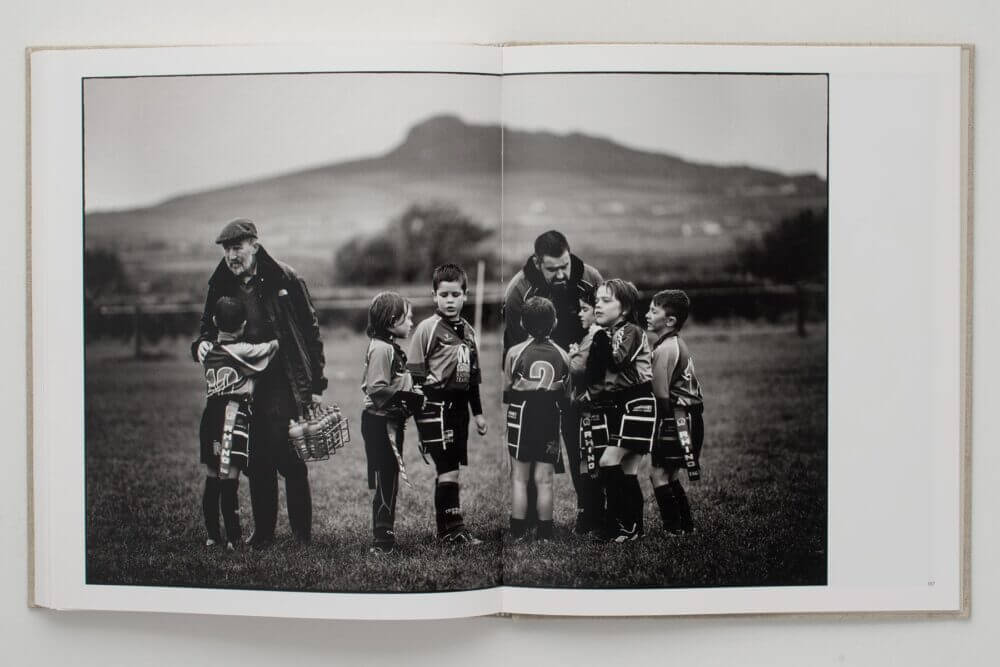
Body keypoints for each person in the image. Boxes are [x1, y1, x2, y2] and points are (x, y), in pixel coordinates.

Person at [192, 219, 327, 548]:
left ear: (254, 244)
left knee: (290, 458)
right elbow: (206, 329)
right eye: (226, 249)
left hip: (282, 380)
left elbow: (310, 331)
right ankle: (263, 533)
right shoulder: (220, 282)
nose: (231, 255)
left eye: (236, 247)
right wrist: (201, 346)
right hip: (244, 389)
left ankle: (301, 535)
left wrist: (316, 382)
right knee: (255, 459)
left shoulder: (285, 277)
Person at [503, 230, 603, 533]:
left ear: (570, 254)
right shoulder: (519, 289)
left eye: (564, 265)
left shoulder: (591, 278)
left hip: (581, 375)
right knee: (533, 451)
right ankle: (532, 517)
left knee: (582, 447)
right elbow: (514, 345)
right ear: (537, 262)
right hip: (539, 389)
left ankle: (591, 513)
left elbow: (606, 326)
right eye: (552, 269)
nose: (561, 274)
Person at [407, 263, 489, 545]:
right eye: (444, 295)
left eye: (455, 294)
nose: (450, 300)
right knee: (448, 468)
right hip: (435, 407)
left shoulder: (469, 332)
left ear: (465, 295)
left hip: (459, 410)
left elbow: (471, 378)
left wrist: (477, 413)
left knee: (450, 467)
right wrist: (420, 419)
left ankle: (446, 530)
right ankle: (453, 530)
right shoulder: (426, 330)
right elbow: (414, 376)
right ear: (434, 296)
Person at [198, 296, 280, 550]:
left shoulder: (208, 351)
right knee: (229, 477)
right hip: (232, 415)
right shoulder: (242, 350)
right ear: (243, 325)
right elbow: (270, 348)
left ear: (214, 321)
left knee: (212, 475)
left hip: (210, 415)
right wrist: (278, 334)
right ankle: (234, 538)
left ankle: (213, 535)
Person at [584, 278, 656, 543]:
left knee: (607, 461)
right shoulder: (607, 333)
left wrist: (598, 339)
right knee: (627, 472)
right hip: (621, 404)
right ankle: (632, 527)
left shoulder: (631, 331)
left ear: (624, 309)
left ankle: (613, 526)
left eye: (606, 301)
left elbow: (616, 361)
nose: (598, 306)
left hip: (637, 404)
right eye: (596, 301)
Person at [503, 297, 572, 542]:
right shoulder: (564, 355)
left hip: (521, 413)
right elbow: (567, 393)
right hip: (550, 414)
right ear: (554, 323)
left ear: (522, 323)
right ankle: (545, 532)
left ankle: (518, 530)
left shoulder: (515, 352)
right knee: (545, 480)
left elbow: (507, 389)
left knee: (519, 478)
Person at [360, 292, 424, 554]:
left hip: (389, 422)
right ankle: (382, 540)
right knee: (387, 478)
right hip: (380, 423)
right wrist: (408, 398)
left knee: (390, 477)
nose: (411, 323)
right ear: (392, 320)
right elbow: (376, 389)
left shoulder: (387, 345)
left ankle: (384, 533)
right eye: (407, 318)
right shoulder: (382, 349)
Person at [646, 289, 705, 535]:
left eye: (653, 311)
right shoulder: (675, 342)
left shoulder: (664, 350)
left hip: (676, 417)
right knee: (669, 474)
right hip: (690, 416)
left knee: (657, 474)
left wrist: (658, 427)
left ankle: (673, 528)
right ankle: (686, 525)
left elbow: (661, 395)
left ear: (670, 321)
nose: (647, 314)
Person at [567, 283, 604, 533]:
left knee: (590, 462)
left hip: (592, 410)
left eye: (584, 309)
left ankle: (594, 517)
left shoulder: (596, 336)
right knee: (587, 462)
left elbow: (578, 369)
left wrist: (567, 358)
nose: (579, 314)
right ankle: (590, 515)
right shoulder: (589, 335)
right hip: (584, 409)